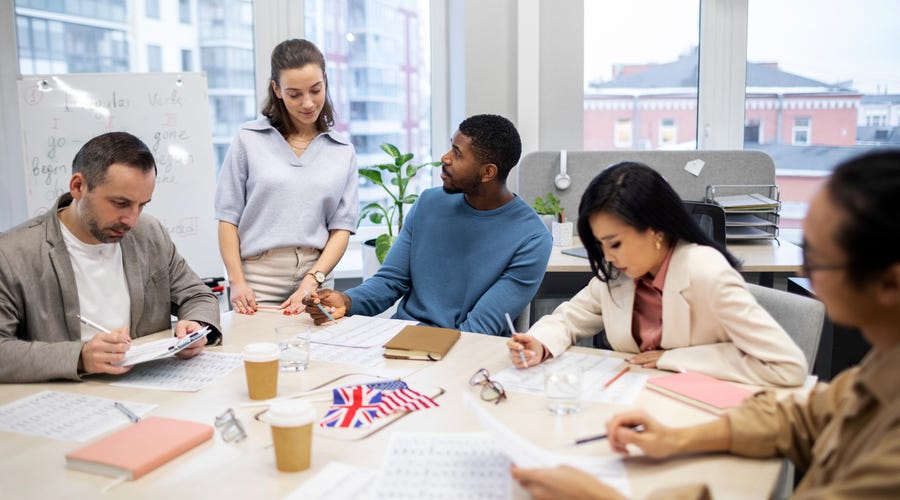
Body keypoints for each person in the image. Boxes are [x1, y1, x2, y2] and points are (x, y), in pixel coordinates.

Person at [511, 150, 900, 499]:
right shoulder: (878, 370)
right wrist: (677, 440)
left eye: (816, 258)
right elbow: (804, 418)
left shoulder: (704, 271)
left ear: (889, 282)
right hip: (655, 413)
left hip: (695, 404)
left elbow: (787, 369)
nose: (801, 270)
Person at [507, 162, 807, 387]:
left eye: (615, 243)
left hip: (703, 411)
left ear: (656, 231)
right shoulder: (620, 274)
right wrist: (540, 343)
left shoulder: (707, 274)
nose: (607, 257)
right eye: (600, 245)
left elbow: (787, 366)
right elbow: (570, 318)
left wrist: (672, 359)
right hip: (640, 400)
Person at [0, 132, 221, 384]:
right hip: (67, 396)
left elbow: (197, 295)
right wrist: (79, 357)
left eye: (142, 205)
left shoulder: (149, 233)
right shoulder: (12, 253)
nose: (132, 220)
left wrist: (195, 325)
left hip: (150, 388)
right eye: (120, 203)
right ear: (78, 186)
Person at [304, 114, 552, 336]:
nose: (445, 158)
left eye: (457, 153)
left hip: (464, 354)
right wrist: (346, 301)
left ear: (487, 172)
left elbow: (479, 329)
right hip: (401, 340)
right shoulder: (429, 203)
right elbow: (390, 281)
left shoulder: (532, 238)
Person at [215, 38, 358, 315]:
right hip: (258, 279)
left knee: (316, 355)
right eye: (294, 94)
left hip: (315, 277)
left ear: (325, 82)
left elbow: (341, 228)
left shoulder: (342, 150)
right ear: (276, 89)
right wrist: (237, 282)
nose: (308, 103)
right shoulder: (249, 140)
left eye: (316, 90)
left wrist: (312, 279)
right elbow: (227, 218)